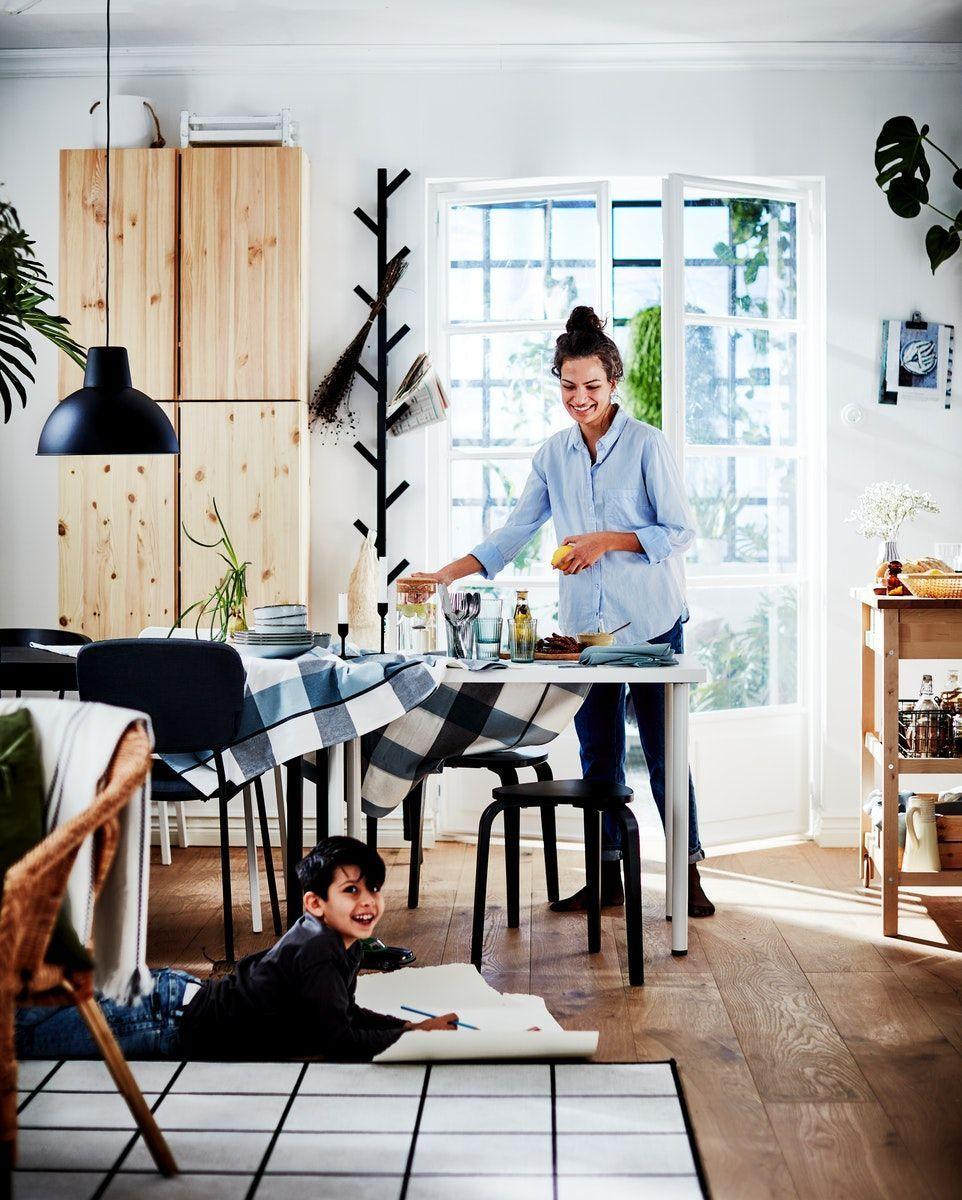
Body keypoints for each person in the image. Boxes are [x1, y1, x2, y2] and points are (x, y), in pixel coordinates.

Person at [415, 305, 714, 917]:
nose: (580, 398)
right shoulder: (552, 455)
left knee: (664, 754)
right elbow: (515, 531)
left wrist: (607, 540)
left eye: (592, 386)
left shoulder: (647, 444)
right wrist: (445, 574)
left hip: (652, 623)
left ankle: (687, 876)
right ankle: (606, 877)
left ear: (613, 382)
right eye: (569, 386)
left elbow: (680, 531)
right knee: (597, 754)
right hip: (586, 632)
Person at [15, 836, 458, 1062]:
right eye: (351, 890)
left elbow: (344, 1014)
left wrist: (409, 1026)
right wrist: (409, 1038)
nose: (368, 902)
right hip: (165, 1020)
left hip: (177, 997)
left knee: (46, 1002)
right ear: (315, 903)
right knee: (23, 1035)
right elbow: (337, 1040)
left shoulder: (343, 943)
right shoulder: (320, 951)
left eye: (373, 889)